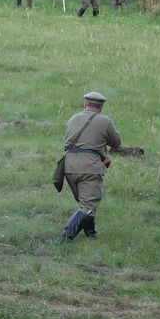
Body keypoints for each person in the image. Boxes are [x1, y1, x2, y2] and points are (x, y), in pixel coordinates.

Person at [58, 91, 122, 242]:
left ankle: (91, 234)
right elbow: (116, 143)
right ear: (100, 107)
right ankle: (66, 237)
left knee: (84, 202)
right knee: (88, 204)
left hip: (68, 165)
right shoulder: (105, 121)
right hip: (89, 165)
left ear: (85, 104)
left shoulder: (73, 118)